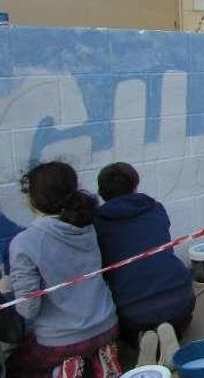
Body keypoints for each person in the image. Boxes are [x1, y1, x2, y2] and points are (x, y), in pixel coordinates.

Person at [7, 162, 121, 377]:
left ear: (34, 199)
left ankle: (66, 368)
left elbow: (28, 309)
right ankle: (94, 361)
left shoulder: (24, 242)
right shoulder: (87, 226)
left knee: (15, 366)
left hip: (61, 340)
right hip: (107, 326)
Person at [94, 162, 195, 352]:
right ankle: (169, 336)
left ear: (101, 192)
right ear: (135, 185)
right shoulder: (155, 209)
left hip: (134, 314)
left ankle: (146, 340)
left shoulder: (97, 224)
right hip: (181, 303)